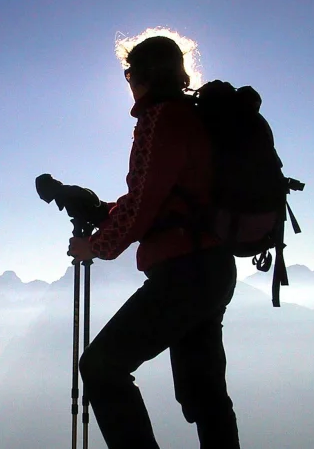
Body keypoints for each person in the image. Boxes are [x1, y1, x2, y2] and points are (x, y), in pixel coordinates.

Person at [67, 32, 241, 449]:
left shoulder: (159, 120)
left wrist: (95, 246)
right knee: (205, 396)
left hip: (183, 274)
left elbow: (144, 204)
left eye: (129, 72)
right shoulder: (192, 116)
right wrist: (105, 211)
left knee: (101, 367)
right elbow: (166, 200)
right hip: (212, 268)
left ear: (142, 75)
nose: (127, 80)